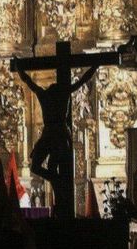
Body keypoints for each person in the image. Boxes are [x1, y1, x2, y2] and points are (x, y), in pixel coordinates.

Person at [17, 65, 97, 202]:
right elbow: (83, 80)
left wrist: (19, 68)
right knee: (42, 166)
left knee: (49, 166)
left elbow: (28, 80)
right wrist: (94, 67)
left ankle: (57, 186)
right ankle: (56, 181)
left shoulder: (44, 95)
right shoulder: (62, 94)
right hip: (56, 134)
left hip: (55, 134)